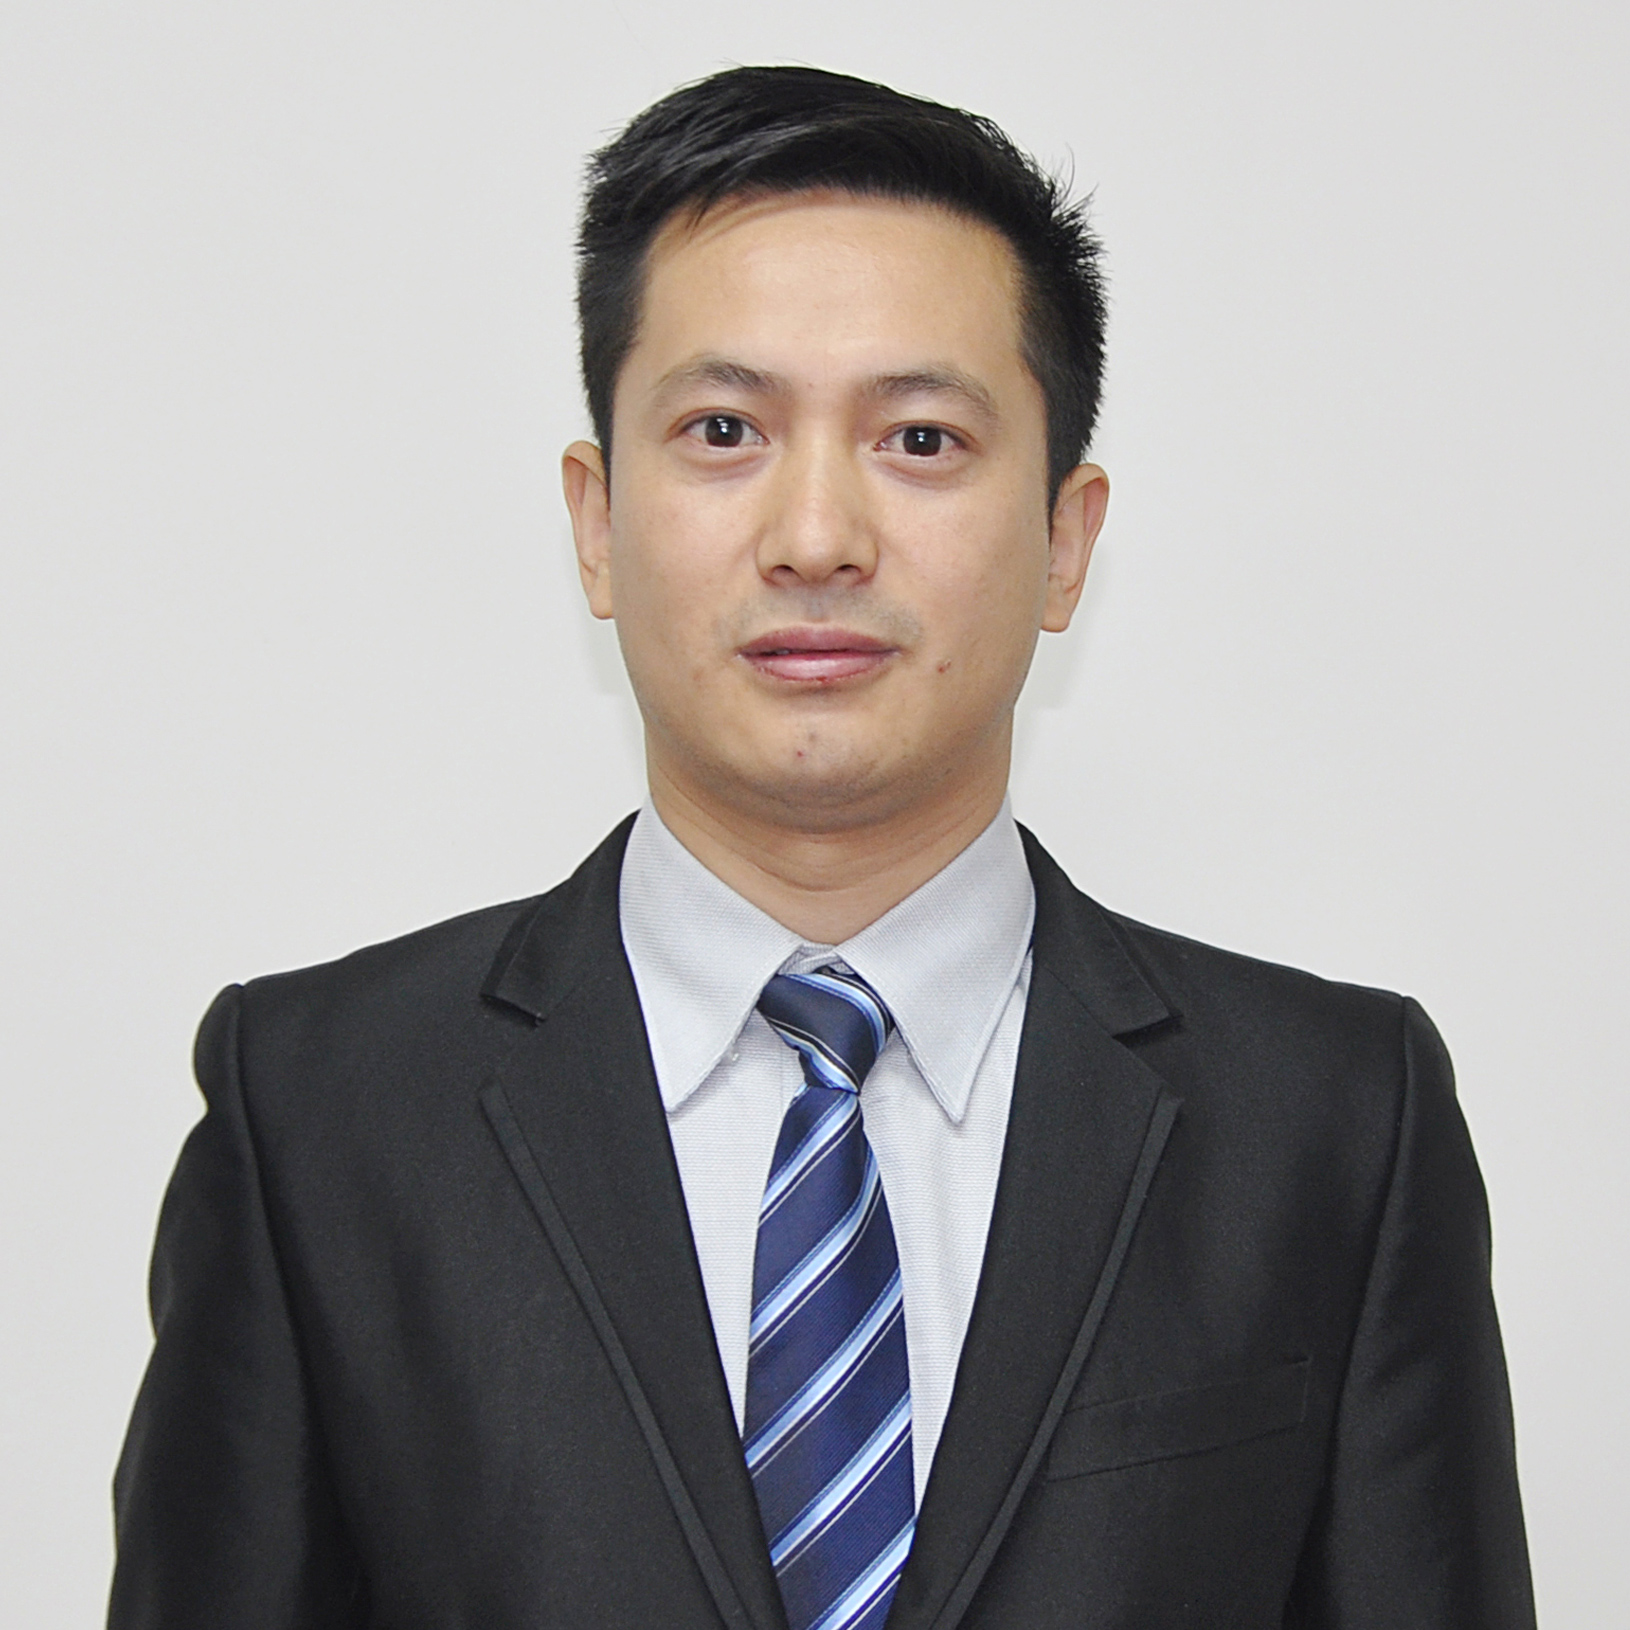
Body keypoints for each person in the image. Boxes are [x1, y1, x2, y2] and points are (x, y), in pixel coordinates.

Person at [108, 65, 1535, 1630]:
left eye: (919, 437)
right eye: (723, 429)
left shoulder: (1333, 1124)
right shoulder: (320, 1113)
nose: (814, 536)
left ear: (1065, 539)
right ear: (595, 519)